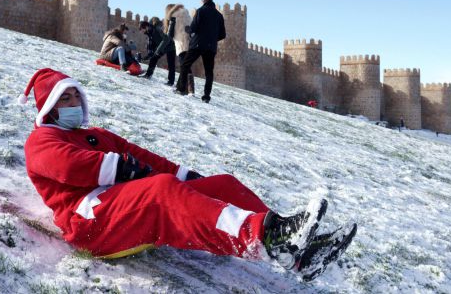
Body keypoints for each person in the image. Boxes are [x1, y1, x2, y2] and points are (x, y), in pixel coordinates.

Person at [20, 68, 355, 279]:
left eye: (76, 93)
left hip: (119, 210)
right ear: (48, 106)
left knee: (220, 184)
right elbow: (67, 165)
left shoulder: (97, 134)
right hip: (90, 225)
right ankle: (262, 237)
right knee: (160, 190)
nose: (74, 100)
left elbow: (140, 155)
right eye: (64, 97)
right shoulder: (43, 139)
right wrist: (121, 170)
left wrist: (186, 176)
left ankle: (296, 253)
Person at [175, 0, 226, 103]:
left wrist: (188, 29)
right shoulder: (219, 15)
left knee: (185, 64)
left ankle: (180, 89)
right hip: (211, 47)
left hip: (197, 44)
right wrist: (212, 39)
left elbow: (193, 28)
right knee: (209, 72)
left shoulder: (200, 11)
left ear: (203, 1)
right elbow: (223, 35)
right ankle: (206, 97)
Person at [165, 4, 194, 94]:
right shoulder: (187, 15)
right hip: (190, 43)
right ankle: (182, 87)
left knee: (184, 66)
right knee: (185, 66)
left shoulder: (173, 17)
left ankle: (188, 90)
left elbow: (170, 34)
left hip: (181, 44)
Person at [138, 18, 176, 86]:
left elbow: (166, 39)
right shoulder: (149, 32)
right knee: (153, 58)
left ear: (146, 27)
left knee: (171, 64)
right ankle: (148, 75)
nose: (142, 32)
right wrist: (148, 56)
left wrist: (158, 51)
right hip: (162, 48)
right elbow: (151, 45)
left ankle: (171, 82)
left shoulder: (156, 29)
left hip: (170, 46)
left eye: (141, 29)